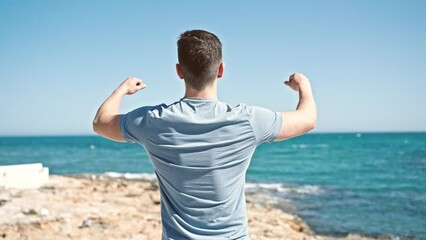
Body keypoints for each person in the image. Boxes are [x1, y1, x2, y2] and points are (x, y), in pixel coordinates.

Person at [93, 29, 317, 240]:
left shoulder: (152, 121)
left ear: (179, 71)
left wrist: (122, 89)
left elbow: (100, 123)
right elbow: (307, 120)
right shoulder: (247, 120)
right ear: (221, 70)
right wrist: (304, 86)